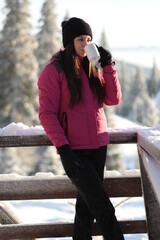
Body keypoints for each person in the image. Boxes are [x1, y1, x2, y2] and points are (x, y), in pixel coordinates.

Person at [38, 17, 124, 240]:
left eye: (88, 39)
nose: (85, 44)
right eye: (80, 39)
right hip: (75, 150)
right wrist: (64, 149)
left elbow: (113, 100)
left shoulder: (91, 68)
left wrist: (108, 66)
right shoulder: (53, 71)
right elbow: (46, 114)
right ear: (68, 42)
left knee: (85, 209)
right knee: (103, 207)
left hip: (99, 146)